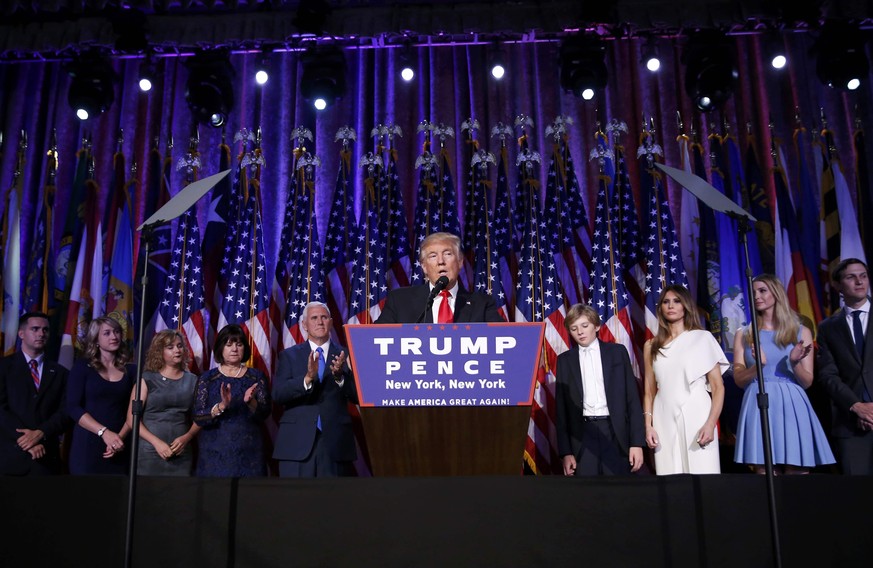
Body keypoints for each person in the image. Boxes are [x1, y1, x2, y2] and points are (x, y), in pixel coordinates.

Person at [732, 274, 835, 473]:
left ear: (777, 294)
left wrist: (795, 363)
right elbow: (738, 379)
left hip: (792, 404)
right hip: (757, 401)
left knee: (796, 473)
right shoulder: (744, 333)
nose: (757, 296)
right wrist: (757, 368)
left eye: (762, 291)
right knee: (765, 474)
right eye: (753, 292)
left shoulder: (800, 331)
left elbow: (807, 382)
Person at [643, 284, 728, 474]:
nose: (670, 306)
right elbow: (649, 391)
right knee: (670, 478)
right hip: (663, 414)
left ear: (686, 306)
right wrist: (648, 426)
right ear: (660, 308)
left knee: (703, 474)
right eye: (666, 302)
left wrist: (710, 423)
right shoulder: (651, 345)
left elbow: (718, 387)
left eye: (676, 301)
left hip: (698, 413)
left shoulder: (702, 338)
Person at [556, 304, 645, 476]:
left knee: (618, 494)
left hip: (615, 432)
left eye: (584, 326)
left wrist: (636, 443)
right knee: (588, 496)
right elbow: (561, 410)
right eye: (574, 328)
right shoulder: (565, 360)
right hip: (583, 436)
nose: (580, 332)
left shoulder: (617, 352)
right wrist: (566, 452)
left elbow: (632, 400)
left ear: (596, 326)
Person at [273, 302, 359, 477]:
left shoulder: (347, 355)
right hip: (296, 444)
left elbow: (359, 395)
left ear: (331, 322)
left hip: (335, 446)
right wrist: (307, 379)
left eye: (324, 317)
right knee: (294, 502)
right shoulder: (289, 356)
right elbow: (278, 394)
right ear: (304, 325)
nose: (320, 322)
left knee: (332, 502)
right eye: (314, 318)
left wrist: (340, 377)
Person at [817, 258, 873, 474]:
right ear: (838, 285)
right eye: (851, 277)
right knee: (858, 499)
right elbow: (828, 375)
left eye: (863, 276)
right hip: (850, 425)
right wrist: (857, 406)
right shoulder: (828, 327)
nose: (859, 282)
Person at [193, 324, 271, 477]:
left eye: (239, 344)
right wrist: (221, 406)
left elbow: (265, 414)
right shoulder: (207, 378)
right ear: (220, 348)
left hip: (249, 451)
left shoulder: (256, 377)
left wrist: (251, 402)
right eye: (229, 345)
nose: (234, 349)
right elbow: (198, 416)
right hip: (214, 452)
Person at [376, 231, 503, 323]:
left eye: (447, 254)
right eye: (433, 256)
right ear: (424, 267)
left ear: (460, 262)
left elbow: (501, 339)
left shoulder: (482, 304)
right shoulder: (399, 301)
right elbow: (375, 338)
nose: (440, 261)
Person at [0, 312, 70, 475]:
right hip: (10, 458)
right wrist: (27, 442)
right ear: (21, 334)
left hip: (46, 459)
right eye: (35, 329)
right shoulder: (3, 367)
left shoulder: (61, 373)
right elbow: (1, 410)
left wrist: (41, 433)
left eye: (45, 330)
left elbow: (65, 411)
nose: (41, 334)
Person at [67, 316, 134, 475]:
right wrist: (104, 433)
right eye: (107, 333)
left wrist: (118, 439)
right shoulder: (83, 367)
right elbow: (73, 407)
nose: (114, 336)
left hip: (119, 443)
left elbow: (132, 411)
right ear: (96, 339)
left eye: (117, 332)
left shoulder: (131, 370)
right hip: (88, 444)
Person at [128, 330, 200, 476]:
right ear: (159, 351)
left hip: (181, 453)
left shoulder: (192, 380)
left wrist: (187, 437)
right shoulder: (146, 379)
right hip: (150, 452)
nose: (177, 350)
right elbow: (132, 420)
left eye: (179, 346)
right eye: (170, 347)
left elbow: (201, 416)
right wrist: (157, 443)